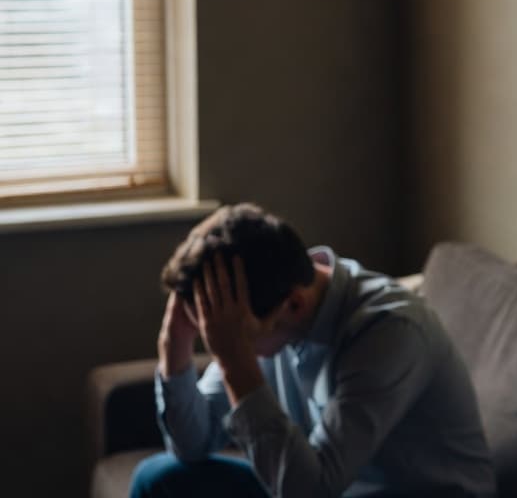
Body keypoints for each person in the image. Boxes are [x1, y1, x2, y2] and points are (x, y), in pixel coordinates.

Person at [129, 203, 496, 498]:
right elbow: (192, 445)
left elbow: (311, 489)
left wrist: (236, 362)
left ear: (294, 305)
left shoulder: (390, 333)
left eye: (233, 336)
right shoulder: (269, 299)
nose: (222, 345)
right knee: (159, 478)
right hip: (323, 483)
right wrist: (174, 343)